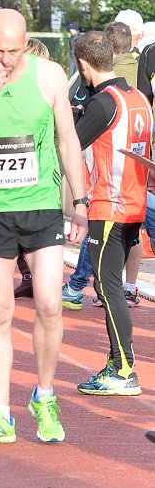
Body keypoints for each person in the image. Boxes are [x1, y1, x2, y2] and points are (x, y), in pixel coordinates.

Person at [0, 8, 88, 445]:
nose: (4, 60)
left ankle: (44, 397)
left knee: (49, 303)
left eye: (12, 51)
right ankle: (0, 414)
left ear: (26, 43)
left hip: (41, 205)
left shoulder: (49, 75)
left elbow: (68, 139)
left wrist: (80, 202)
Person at [73, 31, 153, 396]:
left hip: (110, 205)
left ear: (83, 64)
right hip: (133, 203)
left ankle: (123, 369)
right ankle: (117, 363)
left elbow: (70, 144)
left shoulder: (104, 103)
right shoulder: (138, 97)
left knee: (108, 288)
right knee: (111, 287)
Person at [62, 21, 144, 310]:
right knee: (128, 239)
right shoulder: (137, 85)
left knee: (107, 273)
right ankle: (126, 286)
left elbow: (75, 142)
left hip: (113, 187)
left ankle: (78, 285)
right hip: (135, 186)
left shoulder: (108, 95)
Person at [13, 37, 51, 299]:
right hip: (16, 170)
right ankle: (30, 276)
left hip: (41, 171)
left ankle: (39, 278)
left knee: (31, 228)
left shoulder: (48, 92)